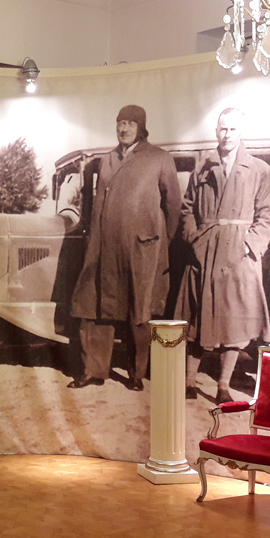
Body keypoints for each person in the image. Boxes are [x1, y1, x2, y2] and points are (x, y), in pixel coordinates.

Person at [67, 105, 181, 389]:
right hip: (104, 246)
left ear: (141, 128)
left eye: (130, 123)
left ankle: (136, 374)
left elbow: (173, 206)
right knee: (95, 307)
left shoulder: (159, 158)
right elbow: (97, 204)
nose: (124, 128)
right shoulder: (107, 159)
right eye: (120, 123)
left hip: (140, 250)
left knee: (138, 311)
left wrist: (157, 242)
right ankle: (93, 370)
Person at [176, 108, 270, 404]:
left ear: (241, 132)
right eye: (223, 129)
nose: (227, 134)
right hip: (205, 253)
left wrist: (249, 246)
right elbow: (187, 210)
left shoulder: (259, 170)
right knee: (198, 317)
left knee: (233, 323)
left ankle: (223, 385)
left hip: (239, 258)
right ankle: (189, 381)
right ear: (216, 131)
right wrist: (194, 239)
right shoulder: (202, 169)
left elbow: (267, 216)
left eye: (233, 129)